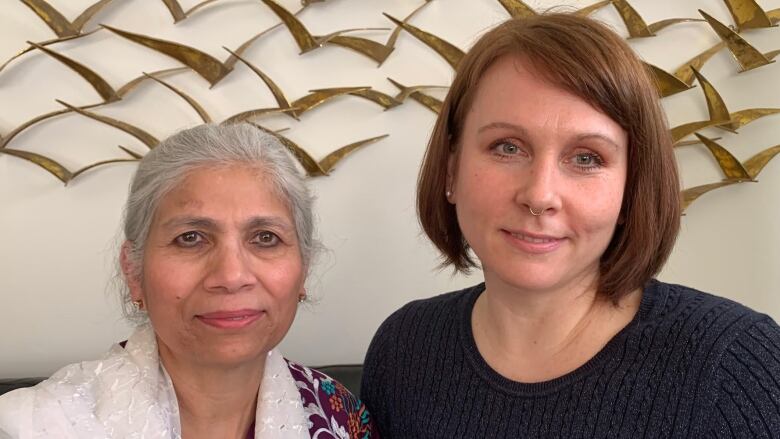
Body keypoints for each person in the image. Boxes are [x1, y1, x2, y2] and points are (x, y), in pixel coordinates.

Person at [360, 13, 780, 438]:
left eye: (586, 158)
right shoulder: (404, 349)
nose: (540, 195)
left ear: (629, 189)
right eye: (507, 147)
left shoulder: (735, 363)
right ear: (451, 170)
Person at [0, 124, 377, 439]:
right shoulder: (35, 424)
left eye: (265, 237)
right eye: (191, 238)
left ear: (303, 270)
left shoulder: (340, 417)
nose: (231, 277)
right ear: (134, 272)